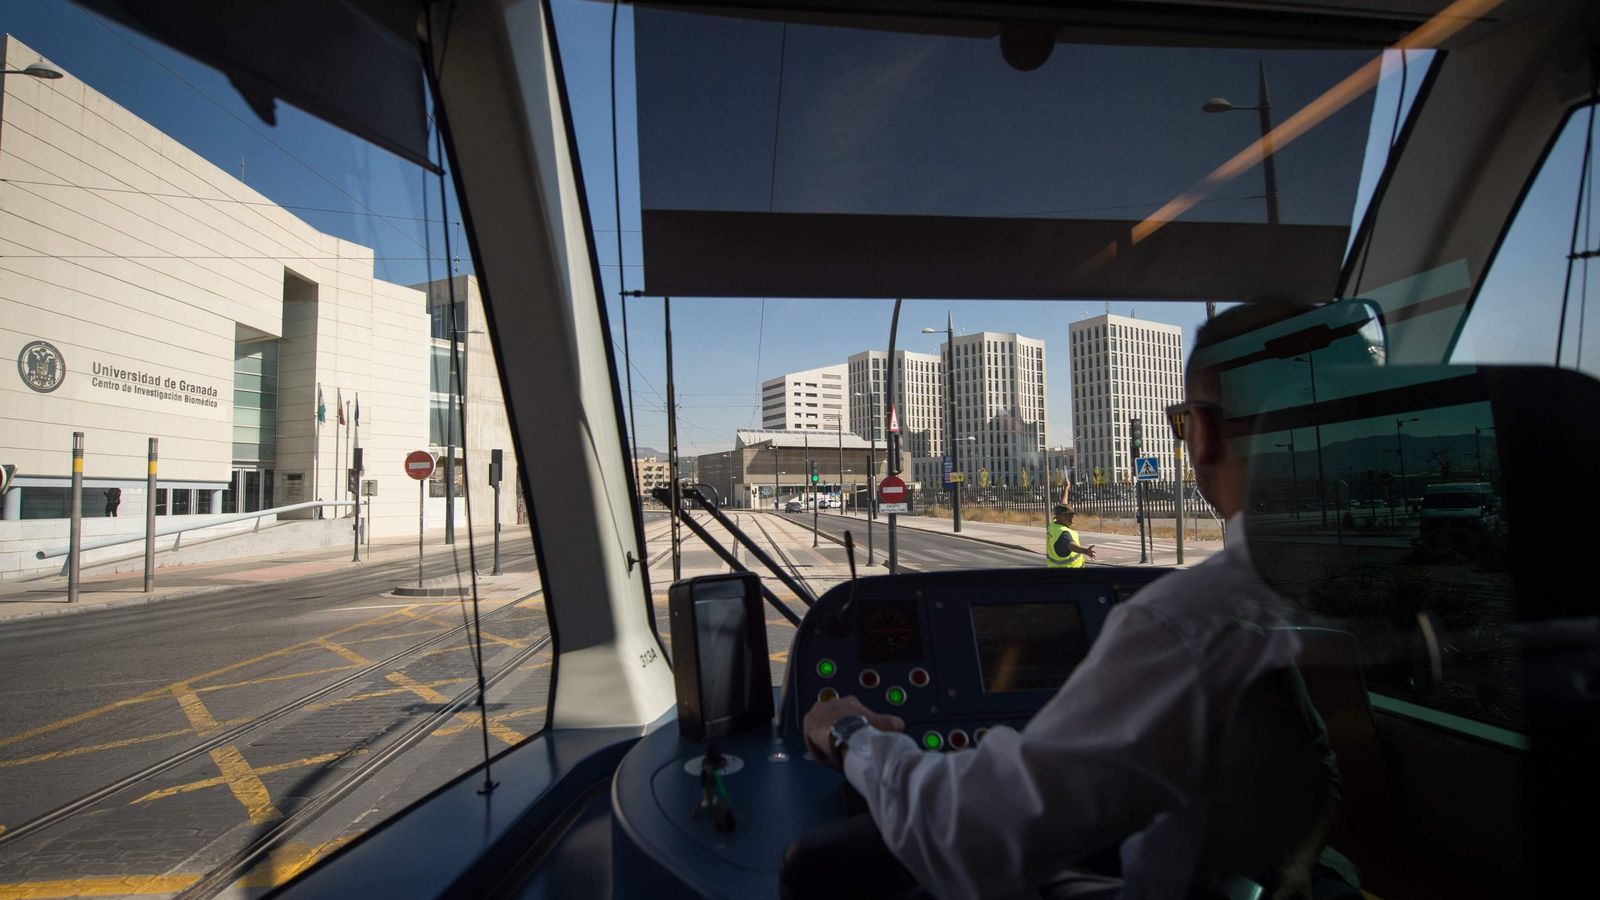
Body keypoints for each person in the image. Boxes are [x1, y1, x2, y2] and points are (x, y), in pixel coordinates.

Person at [802, 305, 1348, 900]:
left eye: (1181, 423)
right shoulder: (1343, 591)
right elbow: (1313, 772)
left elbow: (972, 832)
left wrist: (852, 734)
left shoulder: (1182, 623)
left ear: (1205, 432)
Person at [1047, 503, 1095, 568]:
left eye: (1072, 515)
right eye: (1067, 516)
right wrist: (1086, 551)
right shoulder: (1063, 532)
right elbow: (1071, 545)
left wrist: (1065, 492)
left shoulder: (1053, 525)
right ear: (1059, 516)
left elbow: (1063, 504)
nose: (1071, 519)